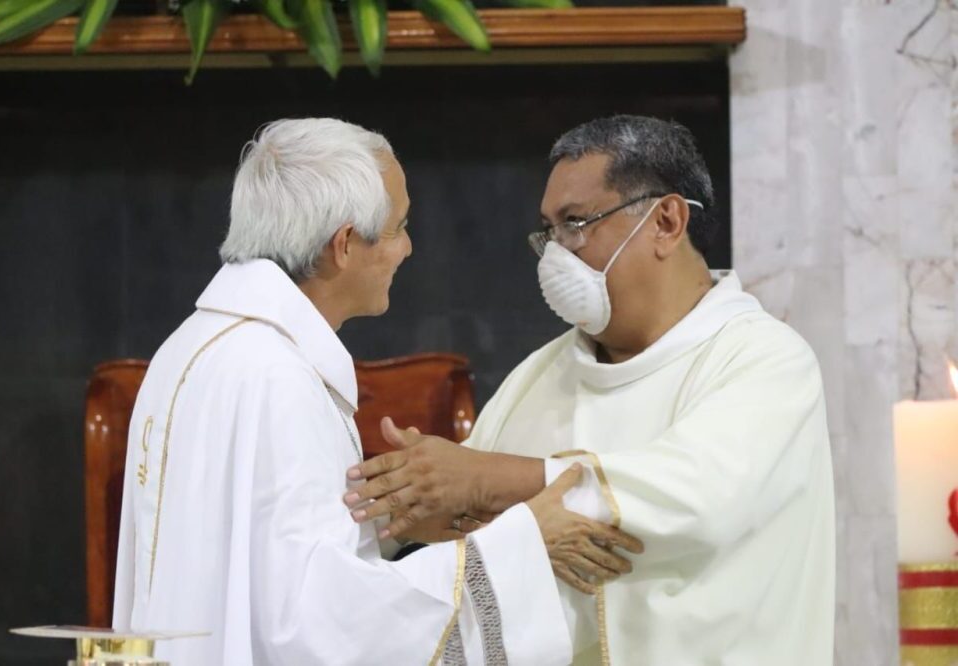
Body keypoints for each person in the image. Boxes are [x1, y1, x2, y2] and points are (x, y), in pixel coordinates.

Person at [112, 117, 642, 666]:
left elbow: (247, 570)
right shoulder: (276, 376)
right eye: (399, 227)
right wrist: (521, 546)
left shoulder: (197, 346)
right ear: (344, 245)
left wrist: (384, 527)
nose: (408, 248)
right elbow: (311, 629)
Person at [345, 115, 836, 665]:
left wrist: (485, 479)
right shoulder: (537, 377)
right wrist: (424, 505)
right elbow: (475, 540)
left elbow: (697, 496)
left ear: (667, 222)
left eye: (576, 224)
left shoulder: (762, 359)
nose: (557, 254)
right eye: (549, 231)